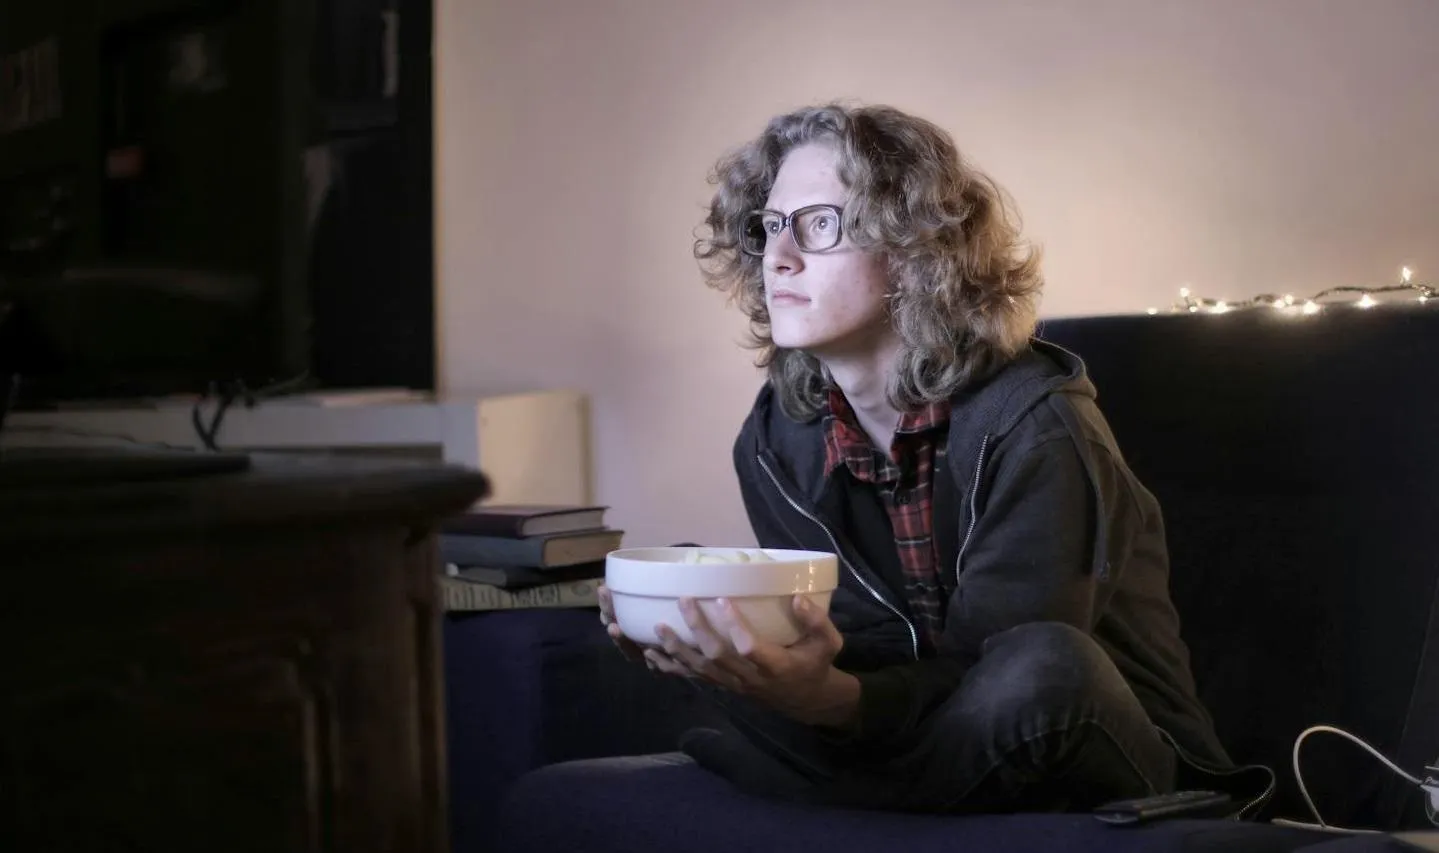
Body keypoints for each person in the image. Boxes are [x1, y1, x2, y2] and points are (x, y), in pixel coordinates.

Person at [597, 102, 1255, 815]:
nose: (777, 257)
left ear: (913, 254)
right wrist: (761, 663)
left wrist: (831, 702)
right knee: (696, 598)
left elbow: (993, 672)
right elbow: (863, 649)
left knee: (1044, 666)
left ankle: (839, 792)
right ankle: (864, 786)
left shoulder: (1037, 425)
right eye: (770, 226)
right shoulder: (774, 440)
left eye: (819, 224)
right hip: (911, 730)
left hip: (1108, 747)